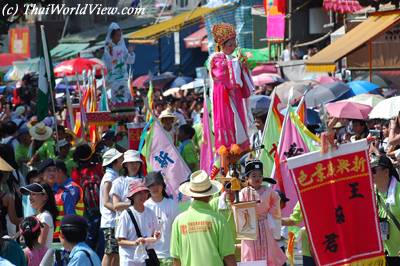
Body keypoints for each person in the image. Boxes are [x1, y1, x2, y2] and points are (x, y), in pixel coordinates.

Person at [170, 170, 236, 266]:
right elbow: (229, 257)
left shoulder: (178, 221)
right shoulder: (218, 220)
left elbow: (176, 260)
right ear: (210, 194)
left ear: (191, 194)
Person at [210, 23, 254, 151]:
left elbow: (239, 75)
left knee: (239, 119)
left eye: (234, 44)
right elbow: (220, 75)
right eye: (230, 45)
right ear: (221, 45)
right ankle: (229, 147)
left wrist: (242, 65)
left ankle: (241, 145)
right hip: (224, 97)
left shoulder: (233, 58)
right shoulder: (216, 58)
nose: (233, 47)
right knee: (229, 120)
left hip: (236, 95)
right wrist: (236, 63)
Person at [239, 159, 286, 265]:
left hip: (265, 224)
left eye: (260, 175)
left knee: (269, 251)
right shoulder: (244, 193)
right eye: (254, 176)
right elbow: (239, 208)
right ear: (247, 178)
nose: (257, 178)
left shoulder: (269, 191)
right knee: (250, 252)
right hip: (249, 227)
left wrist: (271, 214)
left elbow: (277, 200)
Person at [115, 180, 161, 266]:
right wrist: (135, 243)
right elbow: (119, 240)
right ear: (132, 196)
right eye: (139, 193)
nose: (143, 195)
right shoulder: (125, 215)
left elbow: (154, 234)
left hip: (145, 259)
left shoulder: (151, 213)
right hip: (129, 259)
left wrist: (156, 235)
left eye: (145, 192)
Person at [38, 159, 84, 241]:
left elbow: (70, 220)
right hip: (45, 237)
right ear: (42, 175)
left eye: (54, 170)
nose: (52, 173)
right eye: (49, 170)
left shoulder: (66, 192)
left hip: (61, 239)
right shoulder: (38, 193)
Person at [144, 171, 179, 265]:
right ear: (147, 188)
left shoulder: (172, 204)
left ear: (163, 185)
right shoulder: (144, 206)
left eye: (157, 184)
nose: (155, 188)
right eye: (151, 185)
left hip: (169, 255)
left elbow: (178, 229)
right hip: (149, 256)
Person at [371, 155, 400, 265]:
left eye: (374, 170)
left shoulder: (399, 192)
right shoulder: (370, 192)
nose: (371, 173)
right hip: (380, 256)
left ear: (386, 171)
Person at [100, 148, 123, 266]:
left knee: (115, 252)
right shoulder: (109, 177)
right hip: (111, 221)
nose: (122, 160)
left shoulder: (113, 175)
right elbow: (105, 202)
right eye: (120, 159)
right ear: (114, 161)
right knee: (109, 252)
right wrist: (121, 210)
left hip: (114, 221)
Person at [103, 22, 135, 105]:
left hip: (123, 78)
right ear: (112, 36)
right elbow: (108, 64)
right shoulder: (107, 48)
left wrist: (131, 52)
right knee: (117, 100)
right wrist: (111, 52)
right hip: (114, 79)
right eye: (117, 35)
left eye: (120, 35)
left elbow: (129, 60)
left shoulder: (122, 47)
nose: (119, 37)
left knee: (125, 98)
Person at [20, 183, 58, 248]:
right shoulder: (41, 215)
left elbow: (40, 246)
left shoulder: (45, 216)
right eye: (30, 194)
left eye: (33, 194)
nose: (30, 198)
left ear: (45, 197)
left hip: (41, 258)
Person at [111, 149, 144, 218]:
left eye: (137, 162)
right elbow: (116, 205)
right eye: (131, 162)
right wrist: (134, 203)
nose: (134, 165)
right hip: (124, 221)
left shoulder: (145, 181)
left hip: (142, 219)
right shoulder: (118, 182)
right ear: (125, 164)